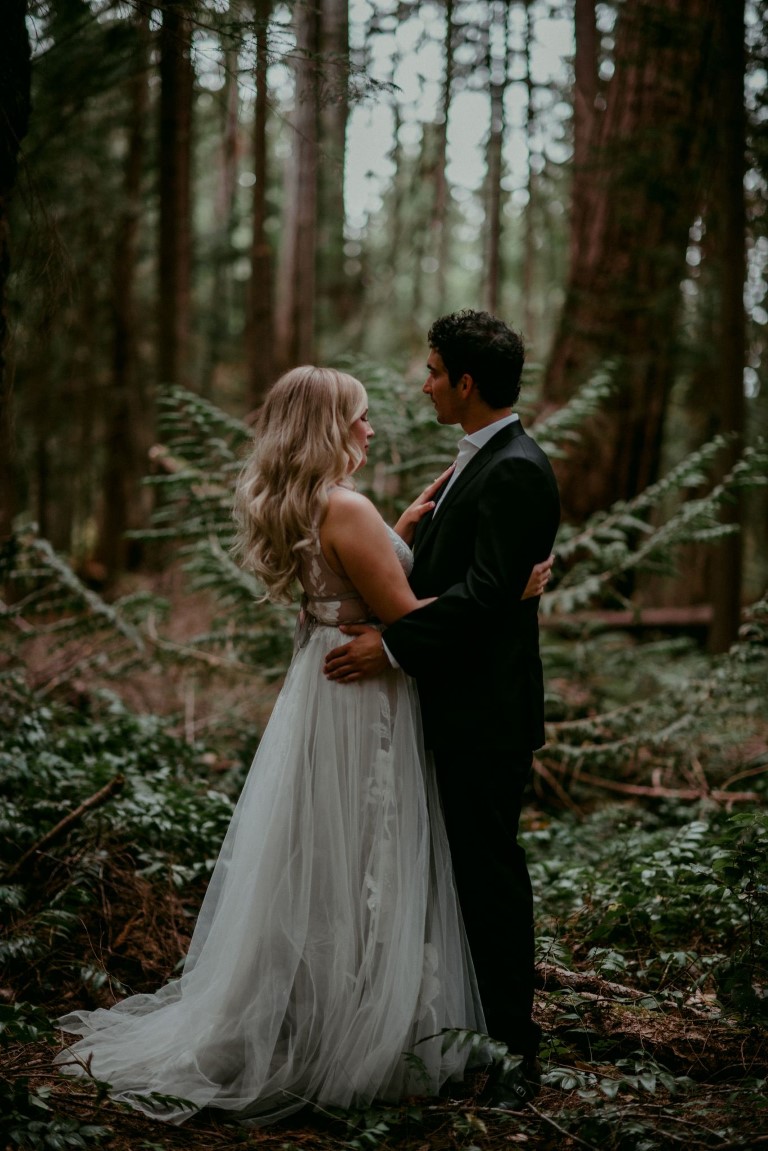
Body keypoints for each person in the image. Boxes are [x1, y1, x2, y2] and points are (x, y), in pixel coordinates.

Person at [54, 366, 548, 1126]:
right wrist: (507, 592)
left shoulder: (307, 503)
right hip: (363, 698)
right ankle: (354, 1028)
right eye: (359, 416)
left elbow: (344, 584)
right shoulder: (347, 508)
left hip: (320, 688)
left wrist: (399, 533)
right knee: (365, 855)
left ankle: (313, 1010)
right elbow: (407, 615)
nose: (370, 428)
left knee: (322, 854)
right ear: (329, 426)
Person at [324, 311, 561, 1108]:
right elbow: (470, 583)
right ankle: (461, 1032)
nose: (423, 385)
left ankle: (514, 1052)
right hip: (453, 702)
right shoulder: (480, 460)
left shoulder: (516, 468)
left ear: (465, 381)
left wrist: (391, 647)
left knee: (487, 880)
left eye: (432, 371)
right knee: (457, 877)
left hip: (486, 715)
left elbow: (487, 592)